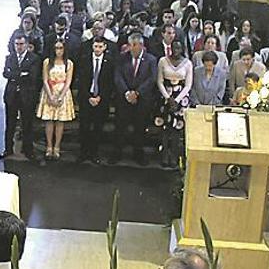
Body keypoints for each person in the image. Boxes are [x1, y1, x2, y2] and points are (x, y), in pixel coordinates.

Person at [113, 33, 158, 165]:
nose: (130, 48)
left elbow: (152, 79)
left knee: (140, 127)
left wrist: (137, 93)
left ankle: (138, 154)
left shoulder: (151, 60)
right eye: (129, 45)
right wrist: (127, 93)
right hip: (124, 98)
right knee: (120, 127)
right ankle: (117, 153)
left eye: (133, 45)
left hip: (142, 99)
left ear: (141, 46)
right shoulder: (122, 58)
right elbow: (117, 76)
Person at [2, 34, 42, 161]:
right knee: (10, 124)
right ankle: (8, 149)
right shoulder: (10, 58)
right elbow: (5, 73)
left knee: (27, 125)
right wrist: (21, 74)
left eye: (21, 44)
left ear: (27, 45)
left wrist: (14, 75)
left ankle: (28, 150)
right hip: (11, 95)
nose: (19, 47)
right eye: (17, 44)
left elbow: (33, 77)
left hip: (27, 96)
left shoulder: (34, 58)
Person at [74, 36, 114, 164]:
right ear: (92, 46)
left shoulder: (110, 61)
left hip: (101, 99)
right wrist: (89, 97)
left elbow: (110, 83)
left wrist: (99, 97)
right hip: (86, 98)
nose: (98, 49)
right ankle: (83, 152)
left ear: (105, 47)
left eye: (100, 46)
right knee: (84, 126)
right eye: (96, 46)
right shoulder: (84, 59)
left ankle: (94, 153)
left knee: (97, 127)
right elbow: (81, 81)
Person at [155, 42, 193, 168]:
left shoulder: (187, 63)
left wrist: (177, 100)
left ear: (182, 48)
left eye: (178, 47)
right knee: (165, 129)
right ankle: (164, 155)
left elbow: (188, 85)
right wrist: (168, 98)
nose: (176, 50)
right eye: (174, 47)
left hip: (181, 99)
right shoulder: (163, 61)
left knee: (177, 129)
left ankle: (175, 156)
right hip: (166, 96)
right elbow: (159, 81)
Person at [36, 40, 75, 160]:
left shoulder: (69, 63)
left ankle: (57, 147)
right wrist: (50, 95)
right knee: (49, 121)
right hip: (49, 91)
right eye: (56, 48)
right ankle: (49, 147)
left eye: (61, 48)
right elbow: (44, 79)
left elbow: (68, 81)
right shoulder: (47, 62)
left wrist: (61, 96)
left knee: (59, 121)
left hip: (63, 93)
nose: (58, 51)